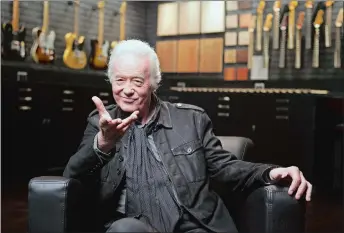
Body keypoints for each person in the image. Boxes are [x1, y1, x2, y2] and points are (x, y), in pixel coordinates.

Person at [63, 39, 312, 233]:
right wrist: (103, 144)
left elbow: (224, 168)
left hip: (194, 224)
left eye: (137, 81)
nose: (127, 90)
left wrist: (270, 172)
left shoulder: (191, 119)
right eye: (119, 80)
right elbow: (72, 176)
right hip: (132, 226)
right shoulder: (99, 124)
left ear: (153, 83)